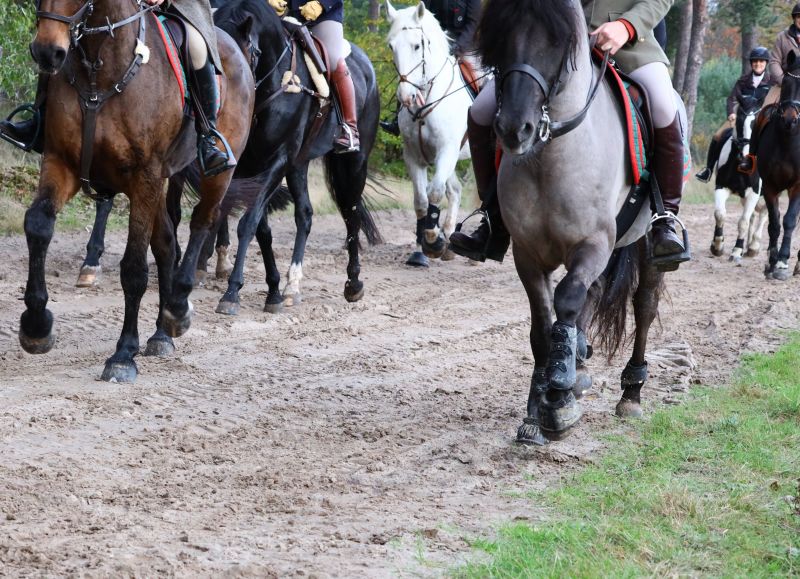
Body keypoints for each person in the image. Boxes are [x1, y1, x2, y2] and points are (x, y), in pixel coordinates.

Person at [449, 0, 689, 269]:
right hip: (553, 41)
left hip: (630, 45)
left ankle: (665, 219)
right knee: (481, 110)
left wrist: (627, 26)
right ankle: (492, 218)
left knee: (663, 107)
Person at [0, 0, 235, 176]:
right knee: (59, 35)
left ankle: (207, 136)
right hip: (119, 5)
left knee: (196, 47)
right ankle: (39, 119)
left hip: (178, 7)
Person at [380, 0, 482, 136]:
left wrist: (457, 47)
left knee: (480, 78)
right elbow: (422, 18)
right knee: (409, 72)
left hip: (466, 46)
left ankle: (483, 126)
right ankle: (397, 119)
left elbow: (473, 25)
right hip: (436, 44)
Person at [269, 0, 359, 152]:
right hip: (285, 11)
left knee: (333, 59)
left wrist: (321, 4)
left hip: (323, 15)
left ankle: (350, 128)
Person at [740, 3, 800, 173]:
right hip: (783, 84)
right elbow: (774, 61)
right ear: (794, 18)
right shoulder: (783, 37)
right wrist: (784, 80)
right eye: (799, 17)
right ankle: (751, 158)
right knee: (762, 114)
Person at [695, 46, 770, 182]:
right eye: (755, 61)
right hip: (741, 117)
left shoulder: (772, 82)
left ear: (766, 63)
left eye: (761, 61)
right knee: (717, 135)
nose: (758, 64)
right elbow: (731, 98)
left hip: (760, 120)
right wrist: (731, 113)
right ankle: (708, 170)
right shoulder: (743, 81)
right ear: (751, 63)